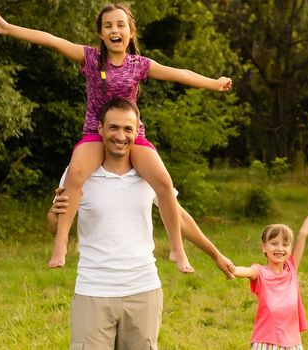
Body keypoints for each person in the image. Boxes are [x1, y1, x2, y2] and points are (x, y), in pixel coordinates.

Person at [0, 4, 233, 271]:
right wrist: (10, 29)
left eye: (120, 25)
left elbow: (180, 74)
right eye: (108, 26)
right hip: (95, 132)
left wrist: (213, 83)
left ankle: (177, 250)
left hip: (130, 133)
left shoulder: (140, 65)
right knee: (76, 173)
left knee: (163, 181)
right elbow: (53, 41)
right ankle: (61, 245)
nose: (115, 30)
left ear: (130, 31)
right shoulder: (91, 59)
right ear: (101, 34)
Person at [46, 98, 234, 348]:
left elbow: (180, 218)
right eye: (113, 128)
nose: (120, 136)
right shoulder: (79, 172)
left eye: (127, 129)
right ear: (100, 129)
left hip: (143, 289)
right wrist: (52, 213)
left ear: (137, 131)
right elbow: (54, 225)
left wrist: (216, 255)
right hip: (93, 289)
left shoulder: (148, 174)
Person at [230, 192, 308, 350]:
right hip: (267, 342)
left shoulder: (291, 268)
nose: (280, 248)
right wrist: (232, 269)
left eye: (285, 244)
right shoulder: (260, 272)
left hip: (293, 342)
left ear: (290, 248)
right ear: (264, 247)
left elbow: (303, 234)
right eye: (274, 243)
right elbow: (247, 271)